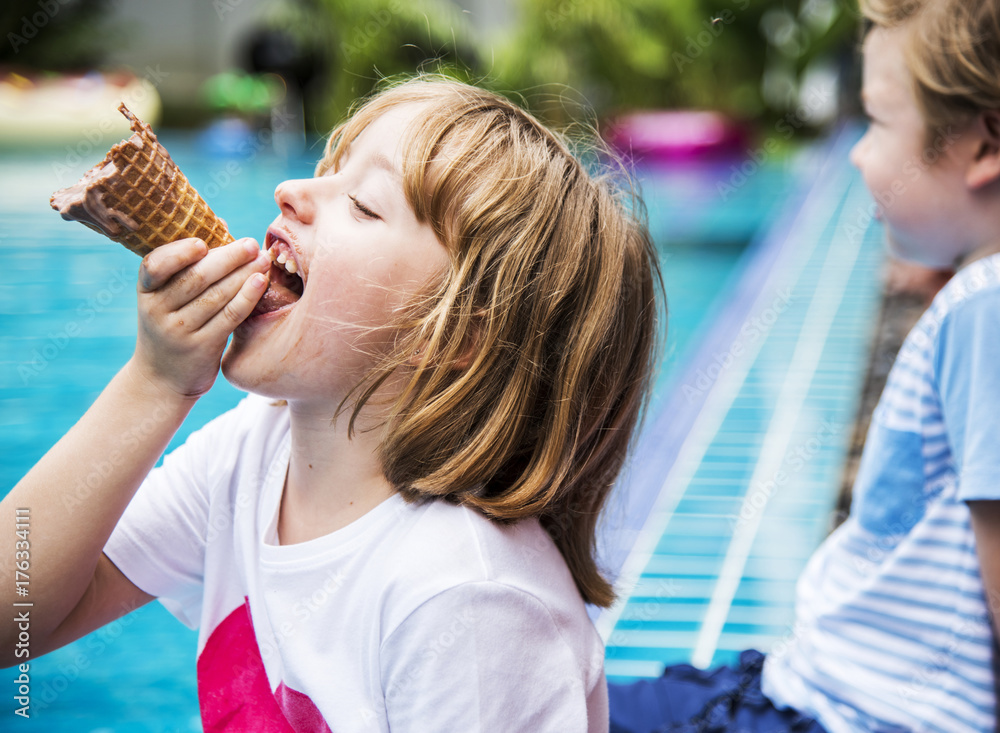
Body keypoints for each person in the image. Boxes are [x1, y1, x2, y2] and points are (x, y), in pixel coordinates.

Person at [0, 77, 662, 732]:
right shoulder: (252, 453)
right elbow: (16, 620)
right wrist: (153, 384)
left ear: (455, 332)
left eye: (365, 204)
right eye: (328, 168)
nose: (293, 190)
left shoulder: (468, 600)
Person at [609, 0, 1000, 731]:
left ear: (984, 147)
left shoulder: (989, 310)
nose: (856, 152)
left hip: (833, 713)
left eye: (880, 122)